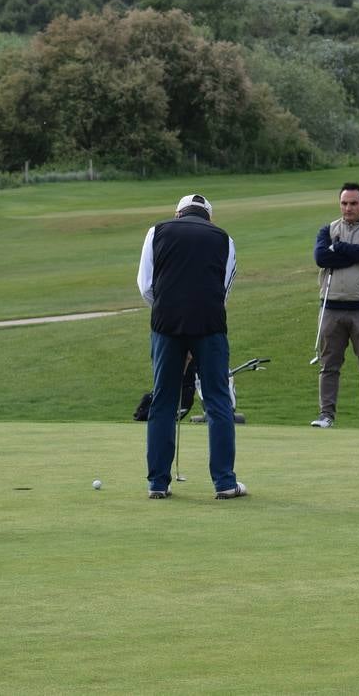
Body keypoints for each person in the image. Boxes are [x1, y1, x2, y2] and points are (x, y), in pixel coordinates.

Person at [136, 194, 245, 500]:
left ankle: (158, 483)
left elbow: (146, 285)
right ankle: (224, 482)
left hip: (166, 325)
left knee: (163, 400)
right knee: (217, 401)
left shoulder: (156, 231)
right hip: (209, 325)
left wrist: (170, 313)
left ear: (178, 213)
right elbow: (224, 288)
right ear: (210, 217)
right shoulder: (224, 238)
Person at [311, 183, 359, 431]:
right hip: (331, 308)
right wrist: (355, 250)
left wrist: (340, 247)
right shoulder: (327, 230)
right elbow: (322, 258)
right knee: (329, 364)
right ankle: (326, 415)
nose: (348, 208)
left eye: (353, 203)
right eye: (344, 203)